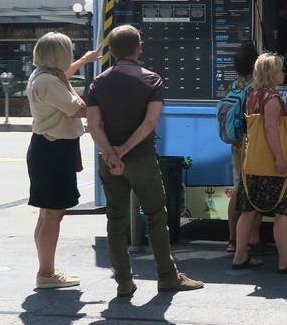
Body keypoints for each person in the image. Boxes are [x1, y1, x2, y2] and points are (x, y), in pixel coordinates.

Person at [86, 25, 203, 296]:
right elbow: (150, 123)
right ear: (139, 48)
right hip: (142, 160)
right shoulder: (152, 80)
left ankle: (124, 281)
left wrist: (110, 153)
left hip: (109, 163)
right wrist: (124, 150)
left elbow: (93, 125)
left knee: (116, 221)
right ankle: (167, 276)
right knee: (156, 217)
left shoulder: (98, 82)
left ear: (111, 51)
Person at [26, 33, 101, 289]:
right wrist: (71, 84)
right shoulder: (50, 82)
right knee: (52, 215)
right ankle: (46, 274)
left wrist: (84, 61)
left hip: (49, 148)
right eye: (69, 51)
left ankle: (46, 269)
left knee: (47, 213)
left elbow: (62, 77)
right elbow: (79, 108)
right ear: (60, 55)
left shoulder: (42, 75)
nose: (71, 55)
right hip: (54, 151)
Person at [231, 53, 287, 274]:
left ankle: (240, 256)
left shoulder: (253, 95)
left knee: (249, 210)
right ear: (271, 73)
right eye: (280, 69)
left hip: (252, 162)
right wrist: (280, 158)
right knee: (282, 212)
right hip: (270, 164)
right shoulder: (271, 97)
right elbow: (270, 129)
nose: (284, 73)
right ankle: (285, 261)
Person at [225, 42, 264, 254]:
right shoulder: (256, 87)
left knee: (238, 190)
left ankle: (232, 240)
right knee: (254, 192)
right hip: (253, 145)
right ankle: (252, 239)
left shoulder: (233, 85)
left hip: (236, 145)